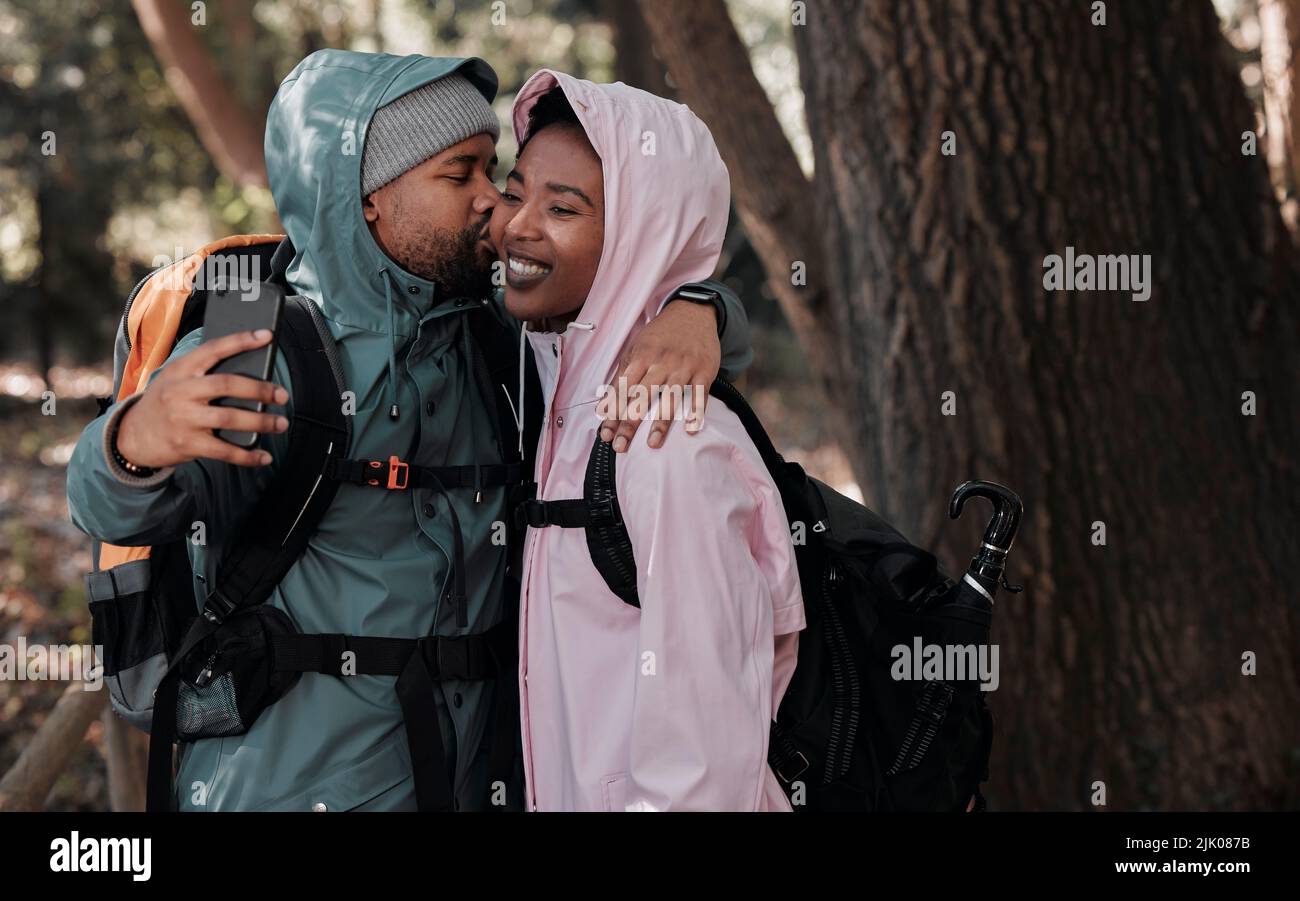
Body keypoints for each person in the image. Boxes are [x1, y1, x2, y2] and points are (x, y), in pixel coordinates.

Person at [65, 50, 750, 811]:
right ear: (366, 198)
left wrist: (703, 308)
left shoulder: (492, 334)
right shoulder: (262, 348)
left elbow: (616, 303)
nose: (494, 201)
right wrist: (130, 445)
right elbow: (114, 507)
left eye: (494, 170)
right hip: (287, 786)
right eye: (461, 176)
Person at [491, 72, 805, 811]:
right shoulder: (551, 396)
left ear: (643, 235)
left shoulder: (667, 441)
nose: (516, 225)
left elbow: (703, 776)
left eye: (562, 208)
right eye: (517, 191)